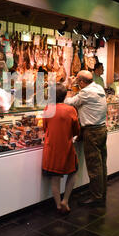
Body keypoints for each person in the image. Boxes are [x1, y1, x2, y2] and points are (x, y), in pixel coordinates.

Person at [65, 70, 108, 206]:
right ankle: (101, 193)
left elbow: (68, 102)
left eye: (78, 81)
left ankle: (96, 198)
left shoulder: (86, 92)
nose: (77, 83)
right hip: (102, 129)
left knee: (94, 166)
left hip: (92, 132)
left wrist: (69, 85)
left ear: (82, 82)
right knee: (101, 164)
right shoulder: (98, 87)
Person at [42, 83, 80, 214]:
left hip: (51, 147)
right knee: (74, 171)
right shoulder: (71, 110)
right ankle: (65, 200)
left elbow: (45, 128)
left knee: (55, 177)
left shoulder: (48, 108)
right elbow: (76, 130)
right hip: (66, 147)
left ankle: (58, 204)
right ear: (65, 95)